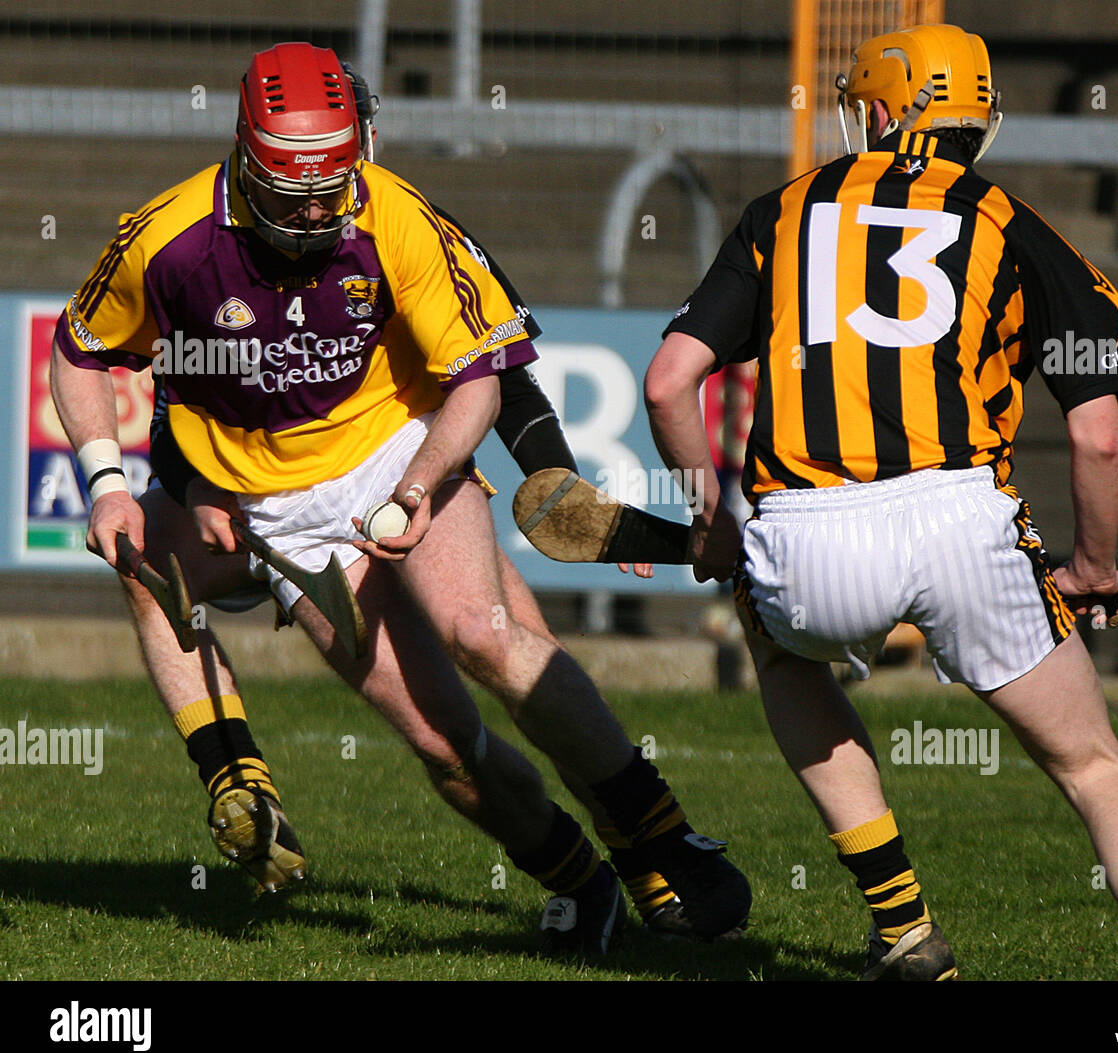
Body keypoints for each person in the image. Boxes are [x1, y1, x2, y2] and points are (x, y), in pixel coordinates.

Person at [50, 40, 749, 957]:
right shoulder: (168, 239)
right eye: (289, 189)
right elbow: (82, 350)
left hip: (394, 451)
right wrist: (112, 484)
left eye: (327, 184)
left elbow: (481, 381)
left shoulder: (399, 217)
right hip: (269, 507)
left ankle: (660, 835)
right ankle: (578, 881)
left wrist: (421, 486)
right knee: (444, 746)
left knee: (485, 634)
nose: (311, 210)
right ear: (243, 154)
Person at [643, 24, 1118, 980]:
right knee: (1093, 767)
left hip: (807, 528)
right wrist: (1093, 566)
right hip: (966, 518)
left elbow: (670, 381)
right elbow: (1100, 432)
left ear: (878, 112)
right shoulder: (1007, 219)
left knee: (782, 655)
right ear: (973, 119)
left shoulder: (784, 210)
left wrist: (712, 515)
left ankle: (905, 927)